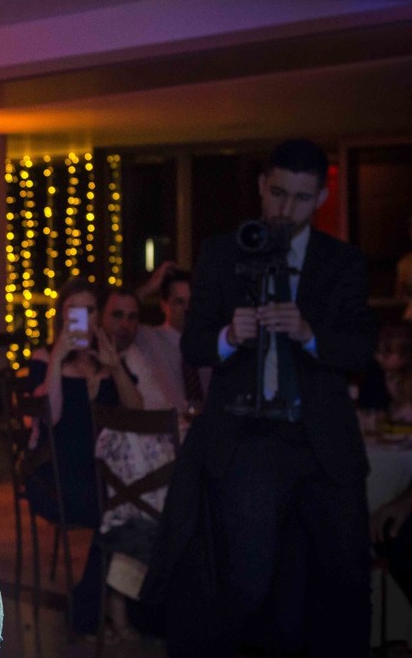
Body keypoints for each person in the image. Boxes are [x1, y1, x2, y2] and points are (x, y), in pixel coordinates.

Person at [148, 138, 375, 657]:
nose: (285, 208)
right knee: (246, 585)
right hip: (247, 442)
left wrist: (309, 333)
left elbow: (360, 348)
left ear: (320, 198)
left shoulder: (341, 261)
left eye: (300, 197)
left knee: (341, 583)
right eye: (277, 193)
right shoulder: (222, 253)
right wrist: (230, 335)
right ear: (260, 186)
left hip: (323, 444)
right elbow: (194, 344)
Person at [23, 277, 144, 637]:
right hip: (54, 473)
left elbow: (136, 413)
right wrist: (59, 358)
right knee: (116, 508)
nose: (83, 318)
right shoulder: (44, 358)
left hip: (101, 472)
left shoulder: (106, 360)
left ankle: (98, 604)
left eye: (90, 310)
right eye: (73, 310)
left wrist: (114, 368)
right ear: (61, 317)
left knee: (137, 503)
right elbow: (51, 416)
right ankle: (110, 605)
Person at [134, 269, 207, 413]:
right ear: (164, 305)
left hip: (206, 423)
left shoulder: (208, 343)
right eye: (179, 302)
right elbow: (119, 317)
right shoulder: (148, 338)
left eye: (191, 302)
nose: (187, 309)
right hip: (165, 424)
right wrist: (149, 287)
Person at [102, 287, 172, 411]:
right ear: (101, 317)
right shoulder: (84, 354)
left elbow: (158, 408)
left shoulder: (135, 355)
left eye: (132, 317)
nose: (125, 324)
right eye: (117, 315)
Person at [357, 321, 412, 425]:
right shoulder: (377, 374)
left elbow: (404, 413)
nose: (378, 357)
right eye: (377, 351)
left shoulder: (407, 380)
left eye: (387, 353)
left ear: (406, 354)